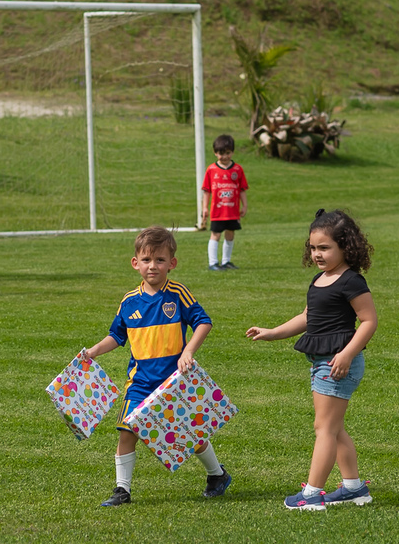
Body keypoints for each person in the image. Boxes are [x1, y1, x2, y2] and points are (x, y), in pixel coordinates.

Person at [85, 226, 232, 507]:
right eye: (147, 260)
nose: (153, 266)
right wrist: (93, 351)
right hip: (140, 382)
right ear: (135, 263)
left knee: (189, 433)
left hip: (174, 381)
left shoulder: (177, 294)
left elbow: (204, 321)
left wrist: (188, 351)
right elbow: (117, 336)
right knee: (128, 430)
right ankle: (122, 490)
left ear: (172, 264)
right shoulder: (129, 301)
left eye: (160, 260)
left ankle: (217, 474)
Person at [246, 209, 378, 510]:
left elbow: (369, 321)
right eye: (313, 247)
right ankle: (353, 487)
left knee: (325, 429)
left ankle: (312, 494)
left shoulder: (351, 282)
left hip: (338, 363)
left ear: (346, 246)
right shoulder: (321, 279)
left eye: (324, 247)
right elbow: (308, 317)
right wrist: (272, 332)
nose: (317, 253)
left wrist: (346, 354)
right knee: (333, 426)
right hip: (322, 362)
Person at [200, 134, 248, 271]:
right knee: (215, 234)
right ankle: (213, 263)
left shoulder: (237, 170)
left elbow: (242, 190)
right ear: (215, 153)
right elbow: (207, 191)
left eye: (228, 153)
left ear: (232, 152)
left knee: (230, 233)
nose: (225, 156)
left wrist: (245, 205)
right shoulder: (211, 170)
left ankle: (226, 261)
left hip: (232, 211)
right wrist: (205, 208)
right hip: (217, 211)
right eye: (221, 153)